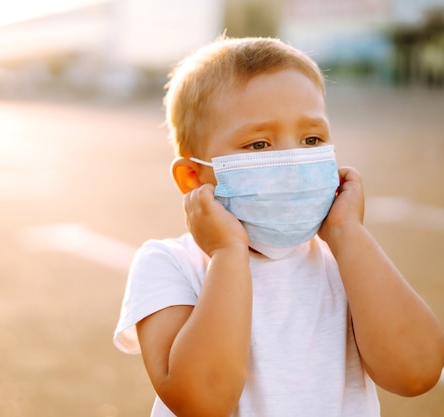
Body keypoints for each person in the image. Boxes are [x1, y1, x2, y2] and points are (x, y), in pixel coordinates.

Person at [113, 36, 444, 417]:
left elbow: (417, 373)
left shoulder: (348, 262)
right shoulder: (169, 264)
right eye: (259, 145)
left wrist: (348, 233)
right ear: (193, 176)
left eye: (311, 139)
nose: (292, 159)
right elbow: (202, 401)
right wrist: (227, 253)